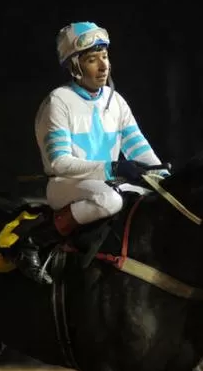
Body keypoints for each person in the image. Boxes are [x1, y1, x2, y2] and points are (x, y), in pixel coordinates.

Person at [10, 21, 162, 284]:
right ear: (75, 67)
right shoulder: (58, 102)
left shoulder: (116, 101)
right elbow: (59, 163)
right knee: (110, 201)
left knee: (155, 199)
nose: (104, 66)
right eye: (93, 60)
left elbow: (139, 148)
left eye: (105, 57)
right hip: (67, 186)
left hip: (108, 183)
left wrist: (165, 179)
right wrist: (111, 168)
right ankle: (34, 240)